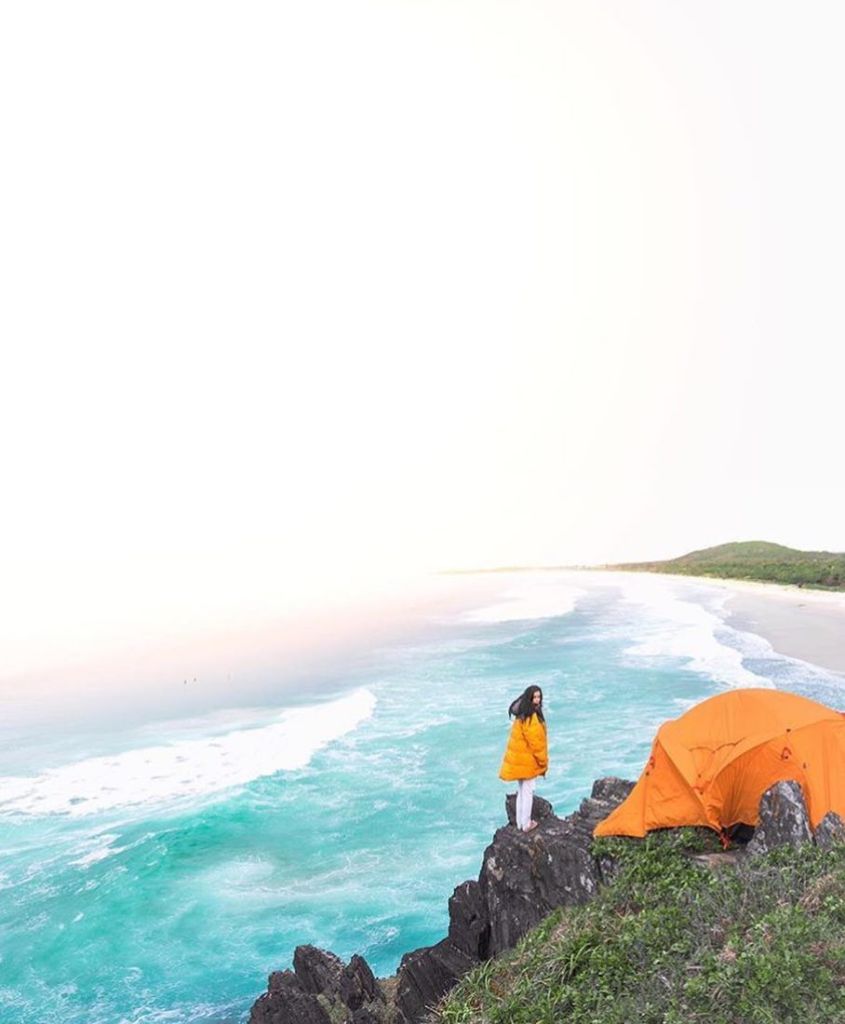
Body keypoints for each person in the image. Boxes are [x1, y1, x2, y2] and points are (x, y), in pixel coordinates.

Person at [498, 685, 548, 832]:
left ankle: (520, 823)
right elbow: (536, 744)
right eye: (535, 697)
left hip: (519, 761)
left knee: (521, 791)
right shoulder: (531, 716)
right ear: (529, 698)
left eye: (539, 697)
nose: (537, 700)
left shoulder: (521, 715)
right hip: (527, 762)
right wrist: (543, 762)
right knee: (528, 792)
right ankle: (526, 824)